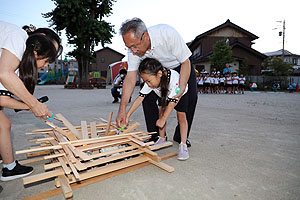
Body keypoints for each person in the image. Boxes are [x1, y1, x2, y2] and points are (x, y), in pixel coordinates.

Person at [116, 18, 197, 147]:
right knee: (147, 97)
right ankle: (154, 135)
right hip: (154, 73)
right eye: (129, 47)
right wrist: (122, 110)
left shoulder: (167, 34)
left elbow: (185, 62)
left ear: (146, 36)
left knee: (190, 99)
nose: (133, 51)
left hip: (180, 66)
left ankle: (181, 137)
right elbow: (130, 77)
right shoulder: (133, 50)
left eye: (135, 46)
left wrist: (180, 88)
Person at [0, 21, 61, 181]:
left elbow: (2, 99)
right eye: (47, 59)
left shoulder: (17, 59)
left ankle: (9, 168)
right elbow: (4, 74)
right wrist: (34, 104)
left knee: (3, 124)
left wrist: (32, 107)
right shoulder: (18, 36)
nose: (44, 66)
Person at [126, 58, 189, 160]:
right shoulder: (152, 82)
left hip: (179, 93)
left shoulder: (175, 80)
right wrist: (127, 115)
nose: (148, 84)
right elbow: (140, 98)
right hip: (164, 92)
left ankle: (183, 144)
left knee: (181, 116)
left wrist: (163, 119)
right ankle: (162, 138)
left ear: (159, 73)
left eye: (149, 81)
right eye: (145, 81)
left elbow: (172, 104)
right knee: (161, 112)